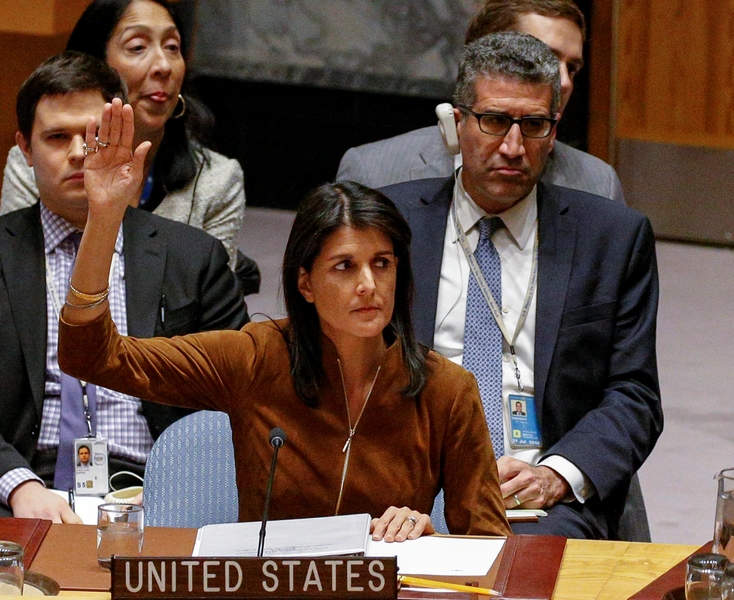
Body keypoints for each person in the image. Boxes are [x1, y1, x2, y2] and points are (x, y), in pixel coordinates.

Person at [56, 98, 510, 539]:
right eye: (344, 267)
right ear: (306, 284)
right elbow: (92, 356)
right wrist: (105, 217)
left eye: (382, 264)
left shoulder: (447, 390)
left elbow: (491, 546)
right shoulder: (255, 356)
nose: (369, 284)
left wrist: (429, 534)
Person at [0, 52, 249, 523]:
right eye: (56, 137)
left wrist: (178, 487)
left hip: (157, 488)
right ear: (25, 150)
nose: (77, 152)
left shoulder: (194, 258)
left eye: (92, 135)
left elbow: (238, 394)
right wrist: (19, 486)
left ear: (121, 138)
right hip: (26, 483)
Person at [381, 32, 661, 539]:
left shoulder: (612, 238)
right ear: (457, 122)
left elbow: (634, 394)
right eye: (493, 121)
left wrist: (556, 476)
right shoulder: (389, 223)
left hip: (537, 505)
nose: (513, 146)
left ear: (553, 133)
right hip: (400, 493)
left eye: (533, 125)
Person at [0, 0, 259, 292]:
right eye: (138, 47)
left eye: (172, 47)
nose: (163, 66)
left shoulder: (217, 181)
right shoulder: (38, 165)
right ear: (92, 65)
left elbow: (209, 310)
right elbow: (17, 294)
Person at [337, 0, 624, 204]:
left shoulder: (597, 186)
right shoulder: (375, 175)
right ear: (484, 58)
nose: (563, 82)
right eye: (542, 59)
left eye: (572, 68)